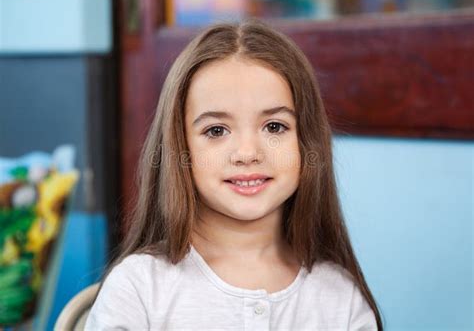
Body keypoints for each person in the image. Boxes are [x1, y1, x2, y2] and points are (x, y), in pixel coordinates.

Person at [85, 18, 384, 330]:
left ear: (306, 140)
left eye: (274, 126)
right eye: (216, 130)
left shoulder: (341, 299)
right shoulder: (138, 290)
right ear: (179, 147)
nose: (247, 153)